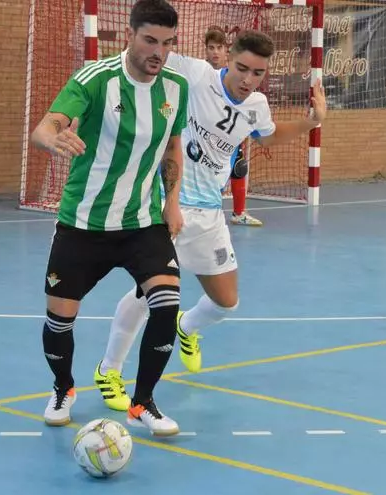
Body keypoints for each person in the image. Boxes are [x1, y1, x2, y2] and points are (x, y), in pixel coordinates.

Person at [93, 29, 327, 409]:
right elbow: (146, 56)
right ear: (228, 59)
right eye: (242, 68)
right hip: (167, 204)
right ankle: (109, 370)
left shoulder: (257, 105)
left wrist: (312, 122)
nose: (248, 79)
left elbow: (267, 136)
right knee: (146, 295)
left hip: (209, 214)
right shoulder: (196, 74)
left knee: (226, 302)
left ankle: (186, 327)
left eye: (258, 73)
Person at [30, 0, 187, 436]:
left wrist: (172, 202)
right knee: (60, 319)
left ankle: (143, 402)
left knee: (166, 305)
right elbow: (46, 126)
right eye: (150, 40)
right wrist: (51, 139)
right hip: (84, 224)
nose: (159, 52)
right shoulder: (95, 79)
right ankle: (63, 388)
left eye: (168, 43)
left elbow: (173, 147)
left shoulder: (175, 88)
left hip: (142, 222)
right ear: (130, 35)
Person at [203, 26, 264, 226]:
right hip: (203, 133)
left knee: (239, 167)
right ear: (206, 50)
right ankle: (208, 211)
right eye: (211, 47)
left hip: (229, 133)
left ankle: (238, 213)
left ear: (226, 50)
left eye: (219, 47)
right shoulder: (201, 74)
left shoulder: (234, 73)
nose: (215, 52)